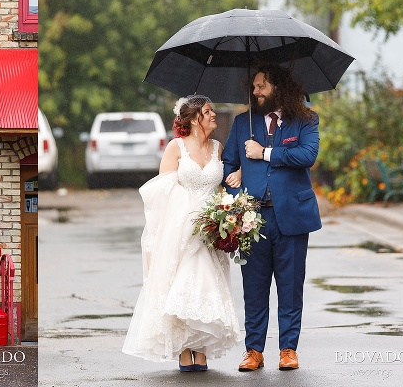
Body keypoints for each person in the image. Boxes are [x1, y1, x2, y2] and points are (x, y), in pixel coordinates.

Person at [123, 95, 241, 371]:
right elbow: (161, 190)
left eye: (213, 110)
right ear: (194, 118)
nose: (214, 115)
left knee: (208, 284)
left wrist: (225, 209)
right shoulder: (176, 148)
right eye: (208, 111)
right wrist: (188, 216)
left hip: (212, 229)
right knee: (184, 284)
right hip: (182, 228)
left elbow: (222, 187)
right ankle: (184, 347)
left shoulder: (218, 147)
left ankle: (201, 348)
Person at [222, 64, 320, 372]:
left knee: (290, 287)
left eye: (261, 85)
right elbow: (228, 163)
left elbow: (307, 156)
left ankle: (288, 349)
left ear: (277, 86)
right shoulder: (241, 123)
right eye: (253, 87)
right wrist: (233, 179)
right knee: (254, 288)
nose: (255, 91)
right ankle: (254, 351)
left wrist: (265, 153)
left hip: (291, 216)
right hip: (253, 219)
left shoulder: (305, 119)